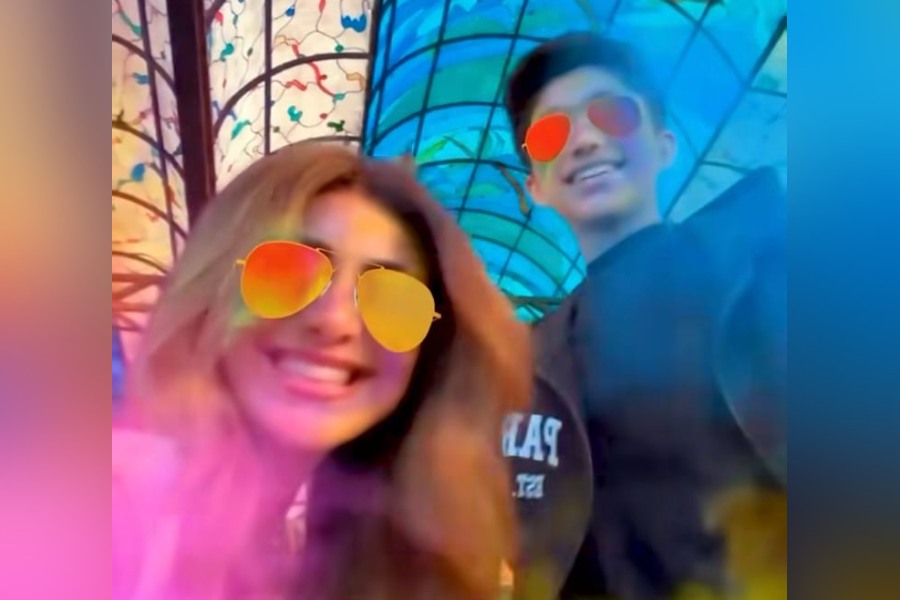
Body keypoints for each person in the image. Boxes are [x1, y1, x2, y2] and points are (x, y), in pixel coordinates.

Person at [111, 144, 532, 600]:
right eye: (285, 272)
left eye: (393, 299)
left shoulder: (328, 551)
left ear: (430, 354)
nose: (334, 320)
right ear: (214, 291)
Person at [502, 33, 786, 599]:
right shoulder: (530, 358)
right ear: (535, 186)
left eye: (612, 114)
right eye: (551, 132)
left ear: (663, 145)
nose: (584, 140)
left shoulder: (765, 273)